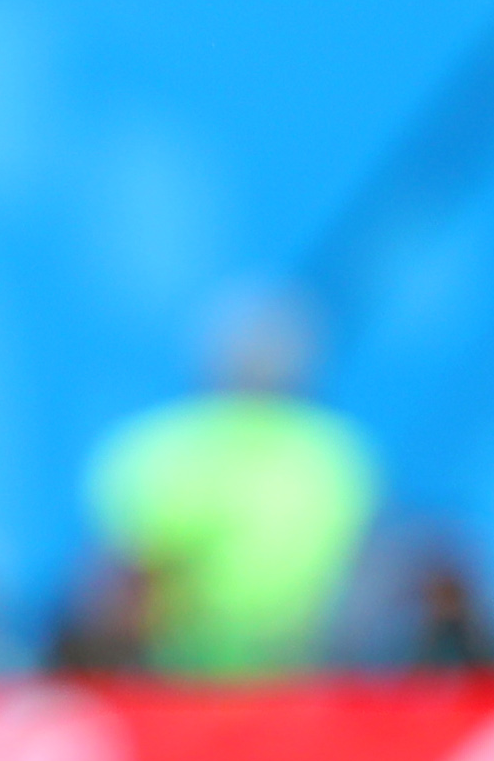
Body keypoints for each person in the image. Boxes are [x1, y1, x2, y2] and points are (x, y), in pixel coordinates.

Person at [74, 291, 378, 680]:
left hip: (177, 685)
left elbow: (124, 587)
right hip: (307, 677)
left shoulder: (155, 448)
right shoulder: (339, 453)